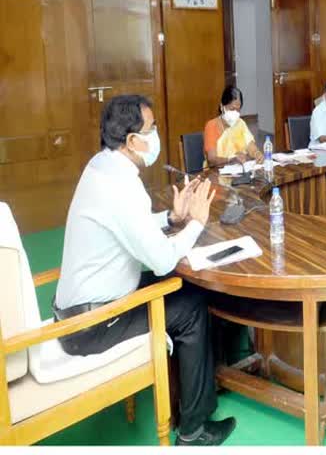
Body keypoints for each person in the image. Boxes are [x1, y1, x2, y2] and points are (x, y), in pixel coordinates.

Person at [54, 95, 236, 446]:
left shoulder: (101, 167)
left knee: (179, 289)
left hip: (83, 310)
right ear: (133, 141)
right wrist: (196, 223)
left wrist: (171, 218)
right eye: (151, 130)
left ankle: (191, 396)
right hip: (94, 324)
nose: (155, 137)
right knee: (192, 306)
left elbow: (127, 225)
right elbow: (163, 259)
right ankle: (194, 429)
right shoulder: (122, 186)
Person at [203, 86, 263, 167]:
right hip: (216, 173)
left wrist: (257, 154)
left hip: (239, 173)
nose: (235, 113)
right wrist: (230, 160)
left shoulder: (240, 123)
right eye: (232, 109)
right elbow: (212, 159)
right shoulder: (212, 126)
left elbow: (251, 147)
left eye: (238, 110)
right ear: (222, 106)